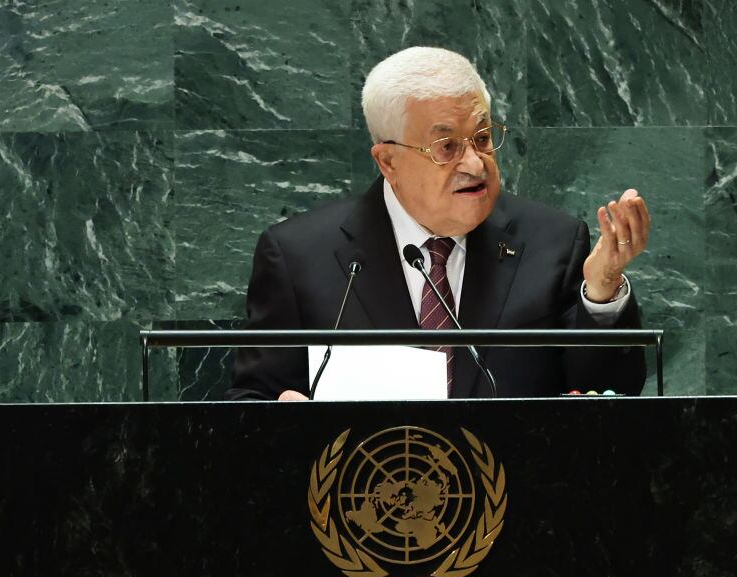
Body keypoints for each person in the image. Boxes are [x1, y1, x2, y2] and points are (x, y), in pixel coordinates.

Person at [228, 47, 651, 401]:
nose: (475, 164)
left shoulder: (553, 243)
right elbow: (250, 406)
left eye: (482, 138)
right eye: (446, 147)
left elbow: (608, 396)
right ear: (388, 161)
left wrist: (602, 289)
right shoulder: (299, 257)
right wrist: (286, 424)